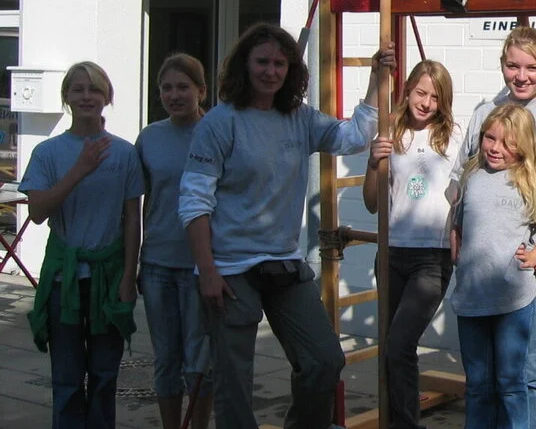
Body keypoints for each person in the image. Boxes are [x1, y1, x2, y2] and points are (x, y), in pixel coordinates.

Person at [178, 23, 393, 429]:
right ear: (245, 64)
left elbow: (353, 138)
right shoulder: (220, 123)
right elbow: (193, 203)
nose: (271, 71)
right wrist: (207, 270)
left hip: (281, 261)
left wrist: (374, 79)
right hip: (228, 269)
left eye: (280, 63)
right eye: (262, 62)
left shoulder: (300, 118)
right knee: (234, 381)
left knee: (324, 359)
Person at [454, 26, 536, 429]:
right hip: (491, 271)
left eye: (531, 67)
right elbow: (462, 182)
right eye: (512, 66)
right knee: (492, 378)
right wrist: (457, 238)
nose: (521, 76)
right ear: (502, 65)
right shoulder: (485, 114)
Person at [23, 62, 144, 428]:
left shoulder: (124, 153)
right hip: (64, 280)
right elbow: (39, 212)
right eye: (78, 89)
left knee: (105, 377)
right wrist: (79, 170)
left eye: (94, 89)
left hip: (107, 280)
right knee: (67, 379)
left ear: (107, 96)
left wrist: (128, 276)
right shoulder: (48, 153)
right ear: (66, 97)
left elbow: (132, 221)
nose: (86, 96)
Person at [363, 60, 464, 429]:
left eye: (436, 96)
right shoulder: (391, 131)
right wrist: (374, 163)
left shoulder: (453, 137)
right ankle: (396, 419)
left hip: (432, 257)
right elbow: (372, 202)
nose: (427, 102)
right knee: (390, 351)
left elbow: (464, 194)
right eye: (421, 92)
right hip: (391, 253)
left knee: (399, 345)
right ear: (407, 90)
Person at [137, 54, 213, 429]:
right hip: (157, 265)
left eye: (183, 87)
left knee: (199, 359)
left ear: (201, 90)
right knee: (165, 358)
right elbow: (142, 202)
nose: (174, 94)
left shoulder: (216, 131)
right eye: (166, 87)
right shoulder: (149, 137)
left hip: (201, 265)